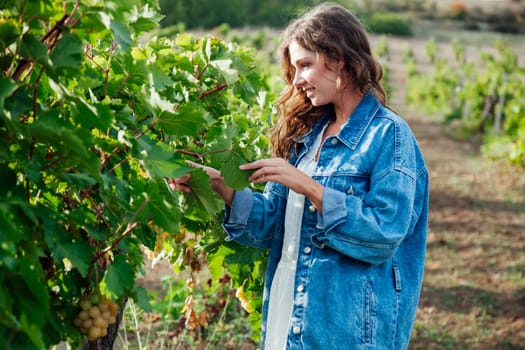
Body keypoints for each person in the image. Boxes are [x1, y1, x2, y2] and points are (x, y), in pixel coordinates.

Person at [172, 2, 429, 349]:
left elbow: (384, 234)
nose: (296, 80)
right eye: (294, 68)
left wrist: (311, 188)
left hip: (343, 331)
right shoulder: (307, 137)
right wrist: (219, 185)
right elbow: (272, 228)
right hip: (288, 309)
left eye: (305, 65)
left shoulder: (388, 136)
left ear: (337, 59)